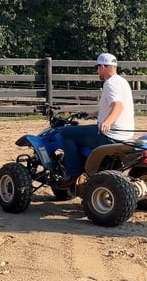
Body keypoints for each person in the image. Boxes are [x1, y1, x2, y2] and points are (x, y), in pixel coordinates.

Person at [57, 52, 135, 187]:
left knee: (65, 133)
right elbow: (115, 105)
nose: (97, 71)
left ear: (103, 67)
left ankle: (74, 174)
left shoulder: (109, 83)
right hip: (126, 133)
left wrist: (107, 122)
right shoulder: (122, 81)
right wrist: (96, 113)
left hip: (111, 135)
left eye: (97, 67)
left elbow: (118, 105)